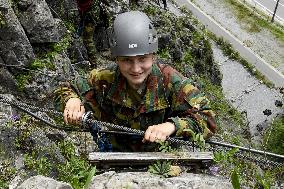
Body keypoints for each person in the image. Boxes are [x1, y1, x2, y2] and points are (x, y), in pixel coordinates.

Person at [54, 11, 216, 152]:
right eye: (127, 60)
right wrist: (72, 100)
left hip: (162, 161)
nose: (136, 68)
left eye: (143, 59)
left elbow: (207, 119)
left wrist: (172, 126)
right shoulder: (104, 79)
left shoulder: (171, 81)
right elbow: (68, 88)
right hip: (114, 157)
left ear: (153, 56)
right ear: (116, 59)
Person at [76, 0, 109, 67]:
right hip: (93, 14)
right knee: (88, 39)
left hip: (90, 17)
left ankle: (93, 62)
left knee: (88, 40)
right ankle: (93, 61)